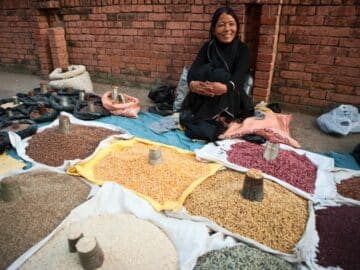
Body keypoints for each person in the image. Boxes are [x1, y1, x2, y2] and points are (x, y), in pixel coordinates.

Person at [180, 6, 254, 141]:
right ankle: (211, 122)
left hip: (231, 95)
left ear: (237, 27)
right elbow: (193, 71)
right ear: (214, 29)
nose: (227, 29)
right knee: (206, 72)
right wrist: (193, 85)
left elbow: (239, 77)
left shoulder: (242, 49)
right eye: (221, 25)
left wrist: (224, 88)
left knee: (220, 75)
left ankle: (217, 120)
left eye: (231, 24)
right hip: (205, 94)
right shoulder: (207, 47)